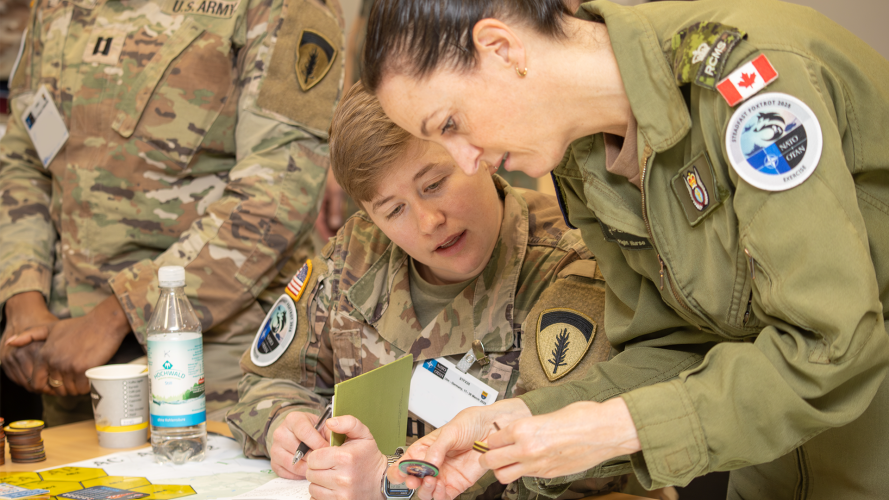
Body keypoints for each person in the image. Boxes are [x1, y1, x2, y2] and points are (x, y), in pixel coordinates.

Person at [360, 0, 889, 499]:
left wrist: (621, 429)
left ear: (502, 49)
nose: (466, 161)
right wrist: (524, 422)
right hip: (779, 463)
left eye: (451, 125)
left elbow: (831, 345)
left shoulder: (746, 85)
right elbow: (680, 347)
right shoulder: (581, 153)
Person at [225, 82, 624, 500]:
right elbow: (269, 379)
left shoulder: (574, 264)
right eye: (394, 210)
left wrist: (391, 483)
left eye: (434, 183)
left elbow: (572, 466)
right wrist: (285, 424)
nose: (428, 221)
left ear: (481, 154)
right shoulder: (355, 255)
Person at [0, 0, 344, 424]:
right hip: (66, 356)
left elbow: (276, 194)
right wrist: (23, 298)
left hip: (214, 361)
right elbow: (27, 158)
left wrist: (118, 316)